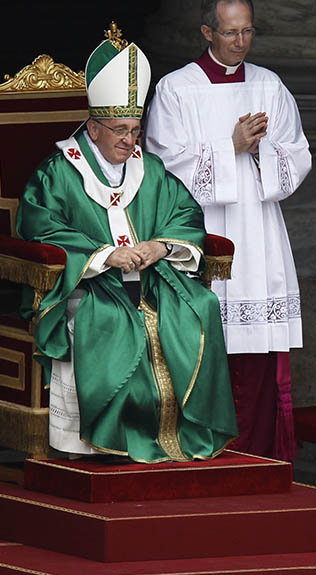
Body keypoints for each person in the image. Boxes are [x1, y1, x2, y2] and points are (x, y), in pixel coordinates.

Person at [17, 40, 237, 462]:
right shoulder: (58, 173)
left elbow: (185, 212)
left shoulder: (149, 169)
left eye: (136, 130)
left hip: (152, 280)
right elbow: (38, 227)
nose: (130, 140)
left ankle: (181, 434)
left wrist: (160, 245)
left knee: (201, 304)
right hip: (91, 286)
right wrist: (103, 256)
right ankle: (111, 439)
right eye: (120, 130)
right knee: (116, 321)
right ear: (94, 127)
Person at [144, 0, 311, 461]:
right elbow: (162, 165)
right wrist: (229, 147)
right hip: (200, 230)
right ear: (207, 32)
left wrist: (259, 153)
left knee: (259, 349)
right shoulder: (177, 90)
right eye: (231, 33)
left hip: (258, 230)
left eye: (248, 32)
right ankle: (197, 448)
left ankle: (262, 452)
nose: (240, 42)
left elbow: (297, 154)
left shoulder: (269, 85)